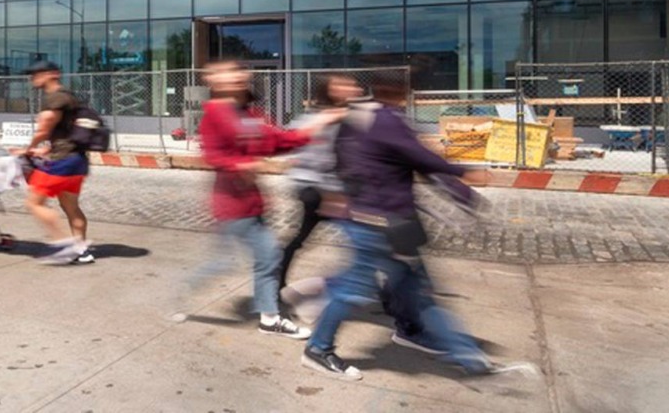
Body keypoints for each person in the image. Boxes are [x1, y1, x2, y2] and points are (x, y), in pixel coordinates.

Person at [302, 71, 495, 379]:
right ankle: (318, 347)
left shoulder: (366, 117)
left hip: (382, 218)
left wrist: (459, 189)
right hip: (376, 221)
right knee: (355, 289)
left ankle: (429, 339)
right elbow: (422, 158)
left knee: (414, 286)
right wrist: (463, 174)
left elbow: (410, 162)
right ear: (402, 91)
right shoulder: (384, 120)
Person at [172, 60, 342, 337]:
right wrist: (239, 164)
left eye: (239, 71)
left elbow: (276, 141)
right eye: (228, 72)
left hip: (252, 202)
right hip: (231, 205)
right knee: (263, 256)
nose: (237, 76)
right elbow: (212, 154)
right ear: (213, 81)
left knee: (243, 260)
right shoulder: (214, 114)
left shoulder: (249, 113)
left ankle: (258, 312)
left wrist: (316, 125)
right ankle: (267, 317)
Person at [277, 72, 362, 292]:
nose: (352, 89)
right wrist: (329, 194)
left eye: (352, 85)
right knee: (364, 241)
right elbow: (312, 158)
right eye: (344, 85)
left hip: (330, 191)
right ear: (330, 90)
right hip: (318, 192)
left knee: (302, 238)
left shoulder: (345, 116)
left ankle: (276, 279)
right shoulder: (318, 118)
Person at [21, 59, 93, 265]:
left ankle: (64, 246)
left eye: (36, 74)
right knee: (71, 207)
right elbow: (67, 132)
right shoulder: (69, 97)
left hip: (62, 161)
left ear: (52, 74)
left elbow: (44, 129)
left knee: (34, 203)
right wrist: (45, 149)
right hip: (77, 160)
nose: (33, 78)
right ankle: (81, 250)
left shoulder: (55, 98)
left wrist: (28, 148)